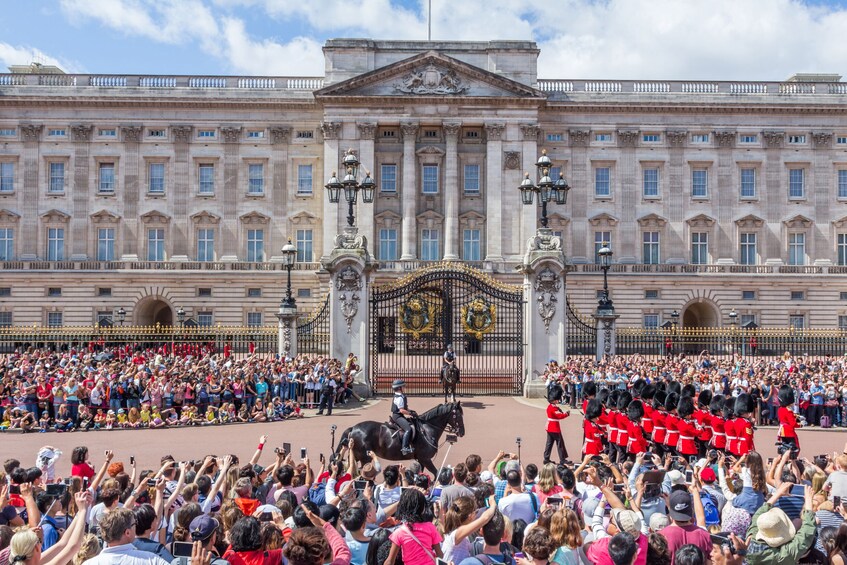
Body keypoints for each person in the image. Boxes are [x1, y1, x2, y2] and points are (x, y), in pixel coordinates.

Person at [744, 482, 816, 565]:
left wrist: (778, 493)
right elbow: (806, 534)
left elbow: (758, 514)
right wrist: (809, 500)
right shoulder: (781, 557)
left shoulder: (750, 540)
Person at [82, 508, 170, 565]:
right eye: (134, 523)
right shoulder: (152, 560)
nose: (136, 525)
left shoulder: (90, 563)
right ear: (127, 532)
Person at [386, 489, 442, 565]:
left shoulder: (399, 532)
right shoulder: (431, 527)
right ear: (422, 508)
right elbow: (439, 554)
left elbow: (390, 561)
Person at [543, 384, 569, 465]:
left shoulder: (551, 406)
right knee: (559, 444)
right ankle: (562, 459)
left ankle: (546, 458)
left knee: (549, 444)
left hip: (550, 427)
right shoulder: (553, 408)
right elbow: (559, 416)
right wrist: (566, 414)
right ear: (554, 399)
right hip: (554, 427)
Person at [389, 379, 415, 455]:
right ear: (399, 388)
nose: (404, 388)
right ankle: (405, 448)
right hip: (397, 417)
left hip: (399, 415)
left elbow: (405, 408)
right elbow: (402, 410)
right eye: (403, 386)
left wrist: (411, 411)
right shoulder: (399, 398)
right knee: (408, 429)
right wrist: (410, 413)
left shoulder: (401, 396)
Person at [776, 385, 800, 451]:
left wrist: (794, 416)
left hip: (782, 431)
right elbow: (793, 423)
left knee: (784, 448)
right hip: (789, 431)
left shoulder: (780, 409)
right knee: (794, 449)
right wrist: (801, 424)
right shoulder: (788, 410)